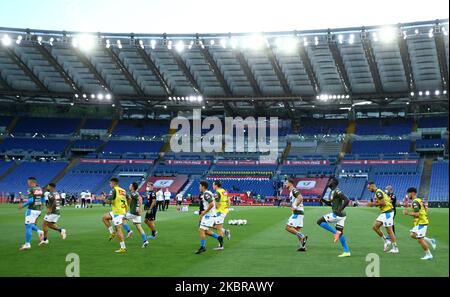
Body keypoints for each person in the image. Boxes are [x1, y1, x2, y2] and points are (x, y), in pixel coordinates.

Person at [317, 178, 351, 257]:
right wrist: (323, 200)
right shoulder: (332, 192)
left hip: (337, 214)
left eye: (330, 181)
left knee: (319, 221)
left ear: (334, 183)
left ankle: (335, 233)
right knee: (341, 233)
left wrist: (340, 209)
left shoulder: (337, 191)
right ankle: (346, 251)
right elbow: (331, 204)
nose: (328, 182)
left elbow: (347, 200)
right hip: (342, 216)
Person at [404, 187, 436, 260]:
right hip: (420, 221)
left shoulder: (415, 202)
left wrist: (407, 213)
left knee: (420, 239)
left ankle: (429, 255)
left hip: (422, 222)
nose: (408, 195)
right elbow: (425, 209)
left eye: (408, 194)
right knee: (413, 235)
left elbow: (417, 214)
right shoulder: (419, 200)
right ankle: (430, 240)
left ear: (412, 193)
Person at [367, 181, 399, 253]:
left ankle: (395, 248)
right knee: (375, 227)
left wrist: (372, 204)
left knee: (389, 231)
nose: (369, 190)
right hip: (384, 212)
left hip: (388, 212)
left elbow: (383, 203)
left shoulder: (378, 192)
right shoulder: (377, 192)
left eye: (369, 188)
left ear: (372, 186)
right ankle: (386, 241)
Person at [195, 181, 223, 254]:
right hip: (210, 215)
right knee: (205, 231)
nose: (199, 187)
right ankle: (219, 238)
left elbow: (211, 204)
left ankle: (202, 247)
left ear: (203, 186)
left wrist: (204, 212)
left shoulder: (206, 194)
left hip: (209, 215)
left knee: (201, 230)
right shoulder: (208, 193)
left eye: (200, 186)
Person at [101, 177, 128, 253]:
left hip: (118, 212)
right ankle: (112, 232)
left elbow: (108, 201)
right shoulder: (123, 190)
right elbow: (126, 200)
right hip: (120, 210)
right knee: (104, 217)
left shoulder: (113, 190)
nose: (109, 184)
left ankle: (123, 248)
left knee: (118, 229)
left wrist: (103, 199)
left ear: (113, 183)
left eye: (110, 183)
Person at [18, 177, 45, 251]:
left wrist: (22, 206)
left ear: (31, 182)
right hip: (38, 209)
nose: (28, 184)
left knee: (28, 226)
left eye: (28, 182)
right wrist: (41, 205)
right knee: (30, 224)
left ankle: (27, 244)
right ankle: (40, 232)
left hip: (32, 209)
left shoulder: (31, 189)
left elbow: (31, 200)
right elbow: (43, 199)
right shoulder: (39, 188)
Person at [284, 178, 308, 252]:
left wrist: (294, 207)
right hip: (300, 212)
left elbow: (300, 198)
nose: (285, 184)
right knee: (297, 230)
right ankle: (302, 246)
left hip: (297, 212)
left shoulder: (294, 190)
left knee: (288, 227)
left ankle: (302, 236)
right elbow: (293, 203)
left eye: (286, 182)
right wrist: (286, 204)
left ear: (290, 183)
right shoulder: (291, 192)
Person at [124, 182, 149, 248]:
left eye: (130, 185)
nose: (129, 186)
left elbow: (140, 198)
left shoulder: (133, 193)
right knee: (139, 227)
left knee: (121, 218)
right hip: (136, 214)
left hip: (133, 213)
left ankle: (129, 231)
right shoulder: (132, 193)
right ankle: (145, 241)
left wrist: (139, 208)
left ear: (132, 187)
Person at [213, 180, 231, 250]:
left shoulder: (217, 193)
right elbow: (228, 200)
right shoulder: (224, 191)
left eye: (213, 184)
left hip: (219, 212)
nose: (213, 186)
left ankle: (221, 245)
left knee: (219, 229)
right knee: (212, 225)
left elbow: (217, 205)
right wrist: (227, 208)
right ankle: (226, 231)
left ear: (216, 185)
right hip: (224, 210)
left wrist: (214, 205)